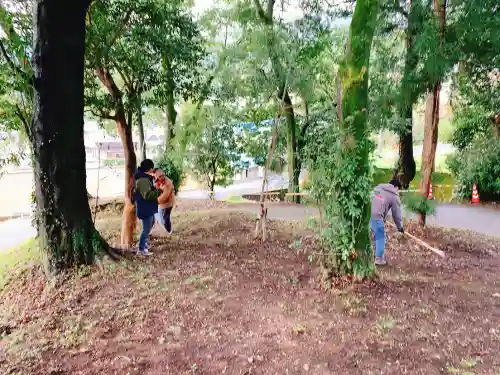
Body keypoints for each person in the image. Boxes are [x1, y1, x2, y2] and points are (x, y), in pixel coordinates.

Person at [370, 179, 404, 266]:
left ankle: (371, 255)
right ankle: (379, 259)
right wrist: (400, 228)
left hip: (366, 213)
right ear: (396, 187)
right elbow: (397, 214)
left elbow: (375, 200)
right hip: (377, 216)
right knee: (381, 237)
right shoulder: (394, 195)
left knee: (373, 235)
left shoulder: (378, 188)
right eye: (398, 189)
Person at [133, 159, 163, 256]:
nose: (153, 170)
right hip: (144, 208)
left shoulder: (144, 177)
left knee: (150, 224)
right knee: (146, 229)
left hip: (147, 208)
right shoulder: (142, 180)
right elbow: (147, 195)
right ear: (149, 168)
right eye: (152, 168)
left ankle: (144, 245)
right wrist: (159, 191)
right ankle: (141, 249)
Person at [154, 168, 175, 234]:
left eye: (163, 175)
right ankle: (167, 231)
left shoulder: (167, 183)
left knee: (165, 217)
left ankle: (168, 231)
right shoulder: (157, 181)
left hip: (167, 203)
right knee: (163, 217)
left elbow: (164, 197)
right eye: (160, 176)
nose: (162, 177)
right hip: (162, 204)